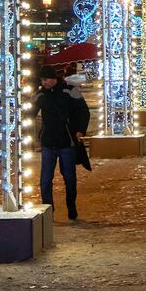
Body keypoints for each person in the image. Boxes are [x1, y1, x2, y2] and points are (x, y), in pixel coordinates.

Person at [32, 65, 90, 220]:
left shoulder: (70, 90)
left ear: (53, 78)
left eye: (45, 80)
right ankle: (48, 212)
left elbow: (84, 111)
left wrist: (80, 130)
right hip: (48, 142)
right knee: (45, 180)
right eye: (41, 80)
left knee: (69, 178)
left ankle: (72, 207)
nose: (43, 83)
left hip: (67, 142)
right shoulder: (40, 94)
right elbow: (30, 112)